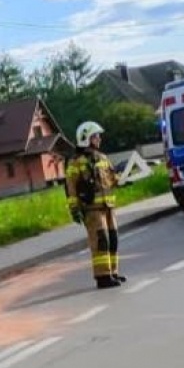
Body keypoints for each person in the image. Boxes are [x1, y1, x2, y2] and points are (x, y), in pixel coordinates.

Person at [65, 122, 126, 289]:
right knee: (101, 242)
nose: (99, 138)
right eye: (95, 136)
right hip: (92, 210)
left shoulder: (102, 158)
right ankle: (102, 277)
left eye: (98, 135)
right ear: (86, 138)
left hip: (108, 207)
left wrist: (123, 178)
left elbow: (112, 178)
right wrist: (74, 208)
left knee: (112, 239)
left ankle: (112, 272)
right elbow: (71, 187)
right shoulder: (76, 162)